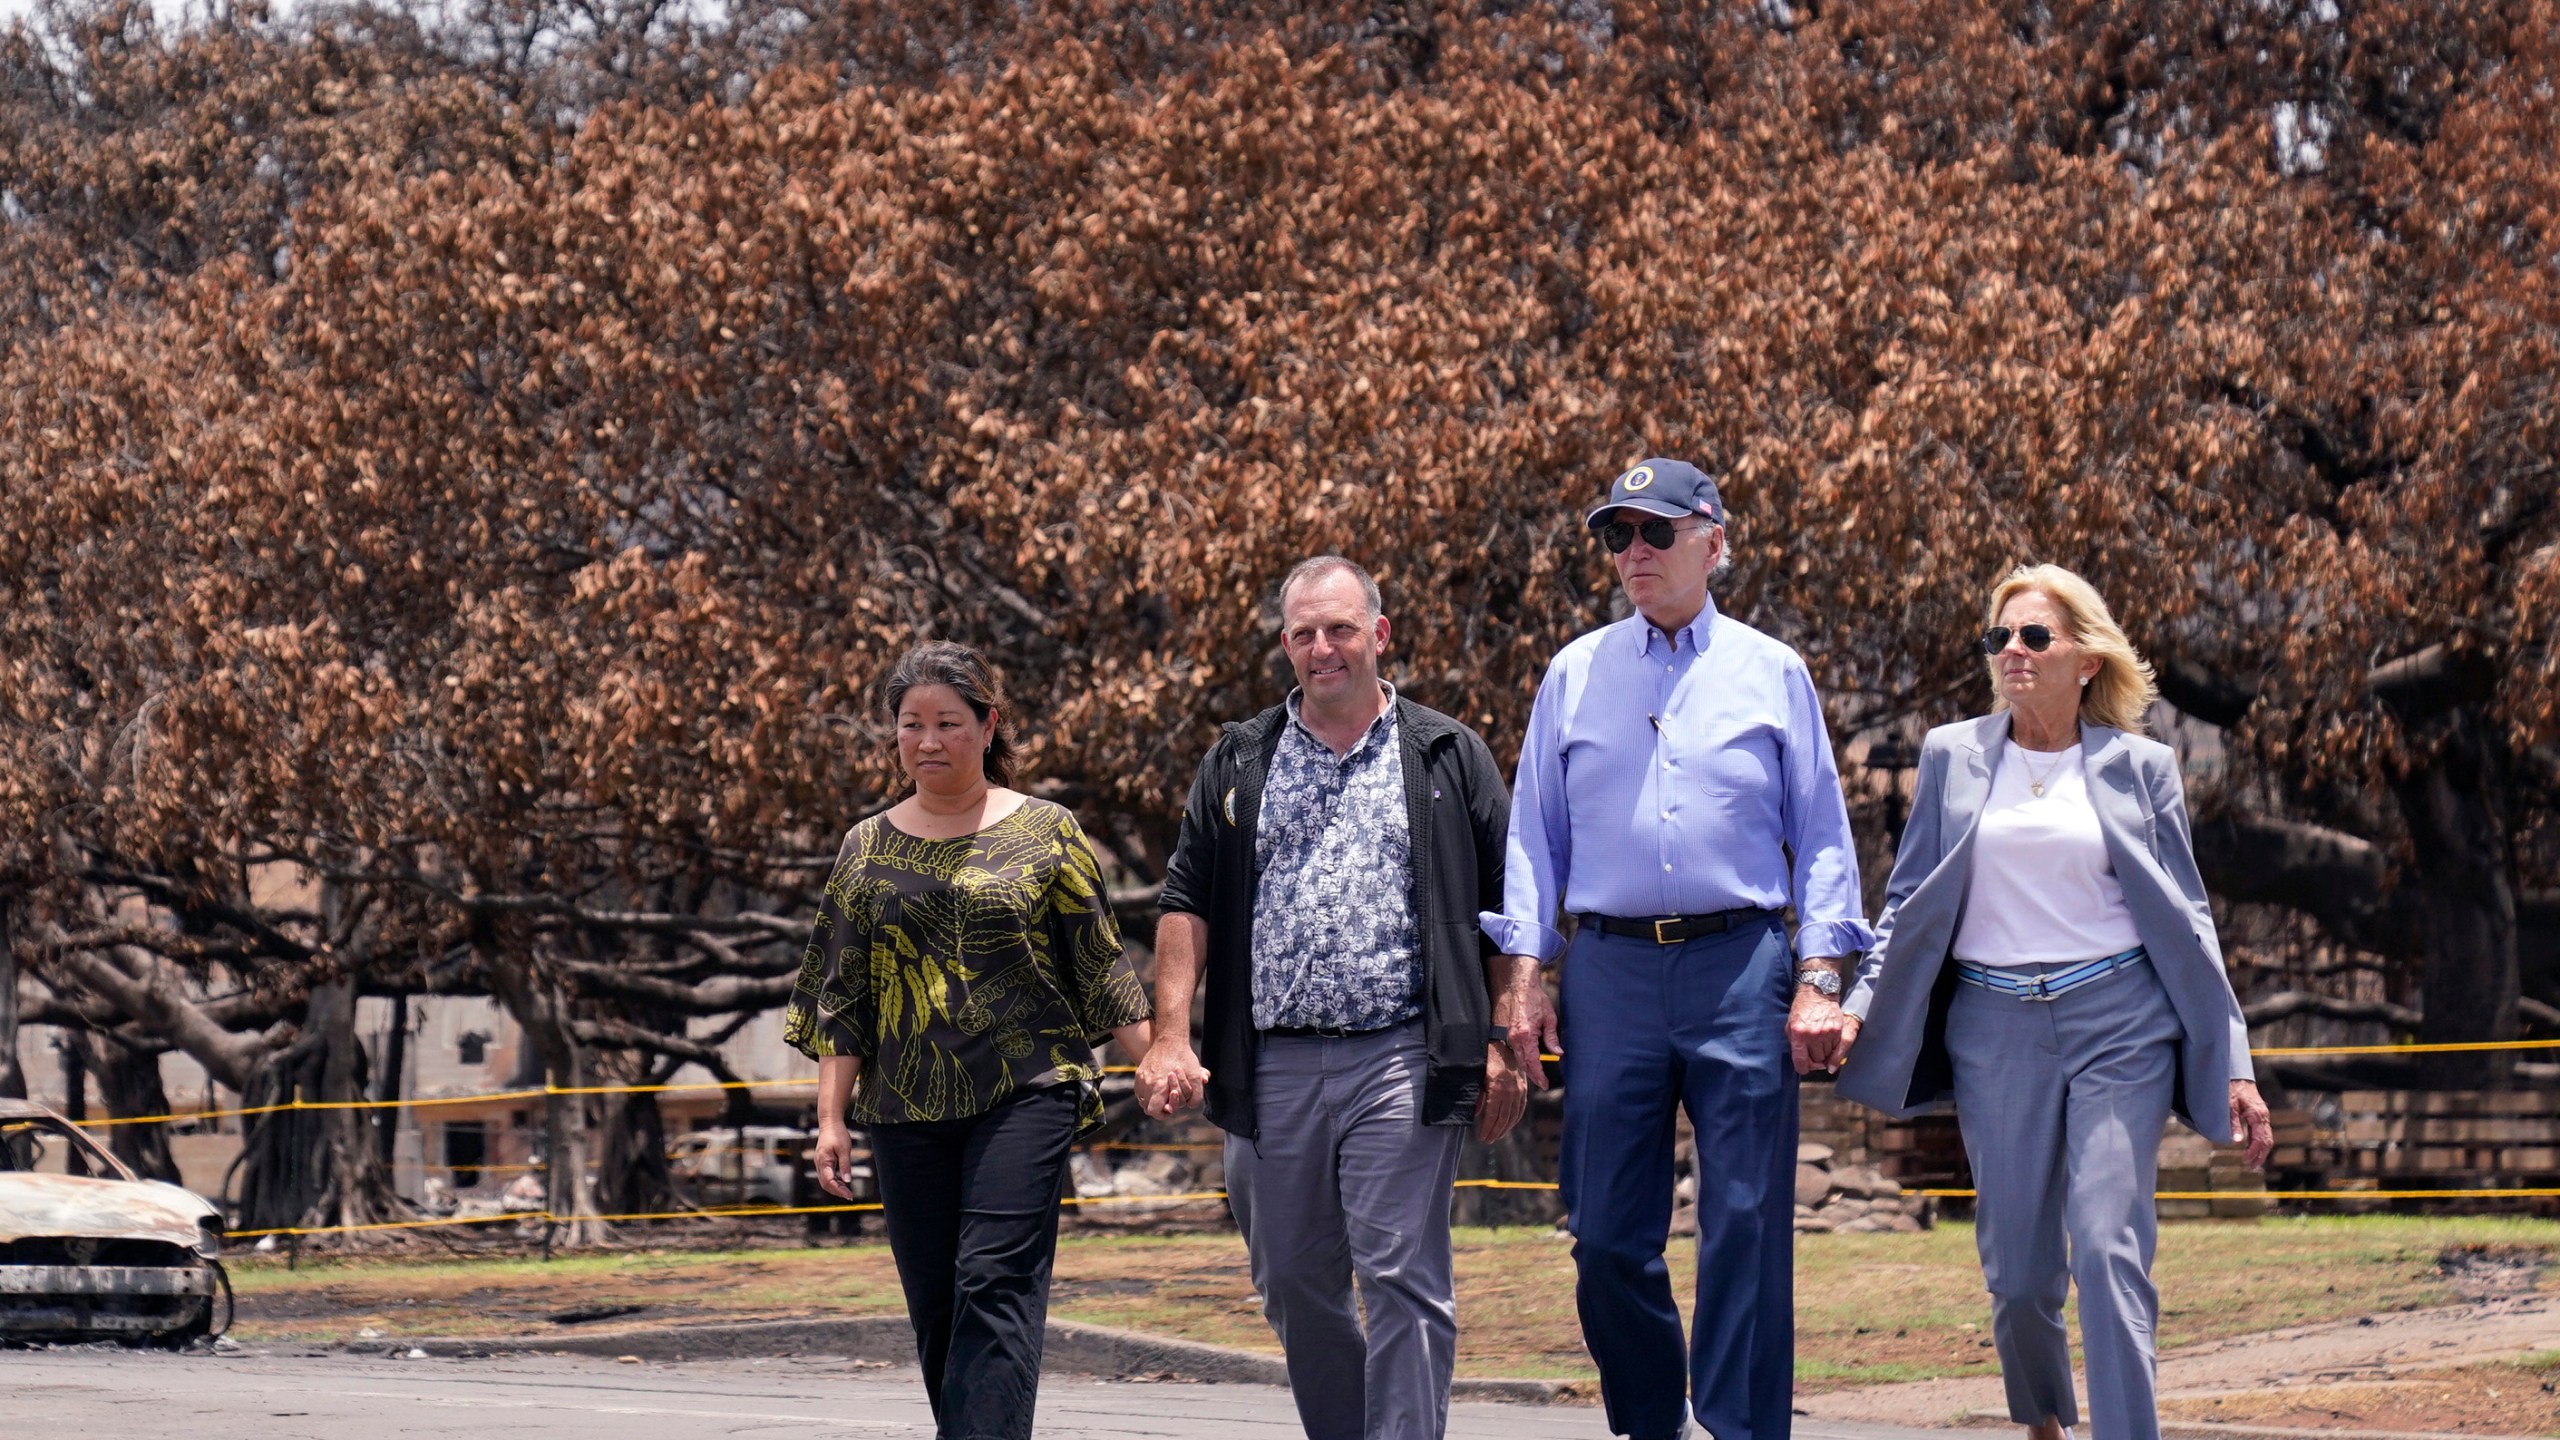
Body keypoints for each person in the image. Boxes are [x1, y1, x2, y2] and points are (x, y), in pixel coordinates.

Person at [1834, 563, 2276, 1440]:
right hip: (1994, 1029)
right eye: (1999, 638)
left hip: (2120, 1022)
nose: (2013, 652)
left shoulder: (2140, 766)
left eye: (2035, 636)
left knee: (2110, 1246)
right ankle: (2042, 1419)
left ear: (2084, 658)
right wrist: (1859, 1000)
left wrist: (2233, 1064)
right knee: (2021, 1275)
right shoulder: (1952, 756)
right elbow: (1909, 903)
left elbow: (2188, 919)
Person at [1485, 459, 1873, 1440]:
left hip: (1741, 966)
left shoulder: (1770, 671)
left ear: (1713, 539)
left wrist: (1821, 977)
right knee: (1607, 1238)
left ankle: (1740, 1428)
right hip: (1609, 972)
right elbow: (1534, 838)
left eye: (1654, 532)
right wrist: (1523, 980)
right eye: (1617, 536)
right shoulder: (1574, 673)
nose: (1633, 554)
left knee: (1743, 1224)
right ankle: (1654, 1420)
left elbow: (1823, 834)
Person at [1137, 555, 1521, 1440]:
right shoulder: (1239, 758)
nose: (1323, 648)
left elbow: (1510, 911)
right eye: (1304, 634)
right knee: (1294, 1284)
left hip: (1401, 1053)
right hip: (1269, 1062)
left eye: (1341, 629)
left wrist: (1505, 1040)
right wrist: (1169, 1037)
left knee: (1400, 1278)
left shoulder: (1444, 753)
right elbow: (1185, 899)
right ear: (1286, 645)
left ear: (1379, 635)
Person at [789, 640, 1155, 1440]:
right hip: (903, 1106)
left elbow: (1099, 967)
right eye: (911, 724)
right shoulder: (865, 848)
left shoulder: (1048, 832)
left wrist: (1154, 1060)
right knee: (937, 1306)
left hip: (1026, 1090)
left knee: (994, 1283)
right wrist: (829, 1119)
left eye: (948, 722)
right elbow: (842, 995)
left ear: (988, 727)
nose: (928, 741)